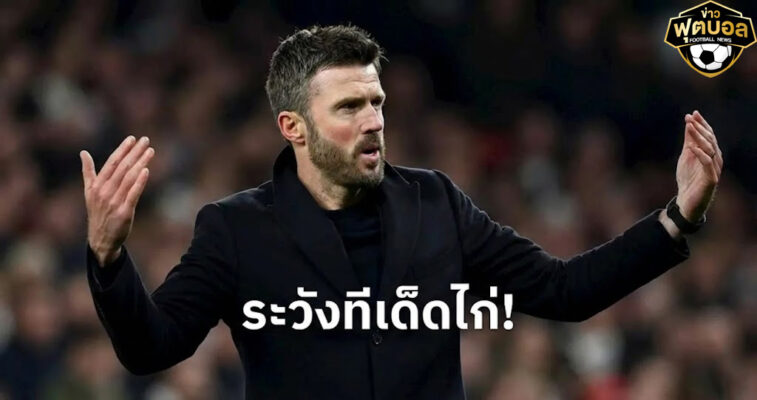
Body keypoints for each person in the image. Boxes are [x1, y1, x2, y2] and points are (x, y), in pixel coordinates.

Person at [79, 25, 723, 399]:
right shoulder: (238, 228)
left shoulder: (437, 202)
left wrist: (677, 218)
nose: (373, 122)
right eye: (349, 107)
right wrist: (108, 258)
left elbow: (564, 290)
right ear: (293, 126)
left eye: (376, 102)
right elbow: (153, 347)